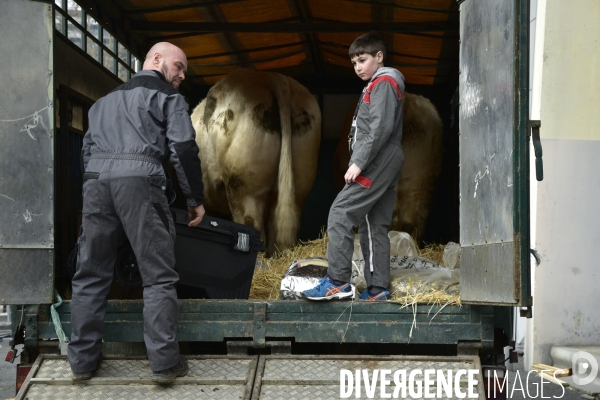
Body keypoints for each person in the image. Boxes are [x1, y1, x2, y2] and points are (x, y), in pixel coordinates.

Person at [68, 42, 205, 384]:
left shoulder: (103, 103)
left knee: (90, 272)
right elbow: (183, 148)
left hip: (96, 182)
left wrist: (93, 191)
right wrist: (194, 198)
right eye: (179, 66)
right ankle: (163, 364)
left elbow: (86, 153)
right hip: (140, 181)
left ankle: (82, 362)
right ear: (157, 60)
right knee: (158, 275)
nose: (182, 76)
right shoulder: (169, 99)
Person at [302, 33, 405, 301]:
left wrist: (358, 161)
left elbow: (379, 127)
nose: (358, 67)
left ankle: (337, 281)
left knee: (340, 213)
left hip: (378, 158)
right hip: (387, 157)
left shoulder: (383, 82)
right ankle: (378, 288)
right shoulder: (380, 83)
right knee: (374, 224)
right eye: (354, 63)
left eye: (363, 60)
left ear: (379, 57)